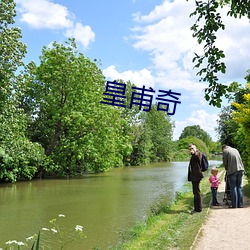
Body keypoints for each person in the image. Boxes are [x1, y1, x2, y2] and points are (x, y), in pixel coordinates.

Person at [188, 143, 204, 214]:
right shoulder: (194, 155)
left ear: (195, 148)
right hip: (195, 176)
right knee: (196, 192)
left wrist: (194, 152)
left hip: (196, 176)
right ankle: (197, 208)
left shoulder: (198, 154)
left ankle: (198, 209)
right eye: (190, 149)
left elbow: (198, 158)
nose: (191, 150)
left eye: (192, 148)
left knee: (196, 192)